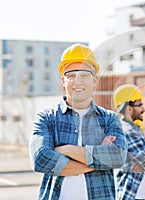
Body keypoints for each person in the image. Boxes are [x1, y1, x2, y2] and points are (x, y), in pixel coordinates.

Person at [29, 43, 127, 200]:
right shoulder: (46, 118)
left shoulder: (110, 119)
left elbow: (118, 156)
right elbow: (40, 159)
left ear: (94, 80)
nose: (78, 82)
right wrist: (98, 159)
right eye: (71, 75)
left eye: (84, 75)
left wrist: (64, 149)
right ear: (63, 81)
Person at [113, 84, 145, 200]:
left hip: (141, 194)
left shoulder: (134, 129)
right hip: (134, 195)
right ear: (129, 108)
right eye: (139, 105)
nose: (144, 109)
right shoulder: (128, 132)